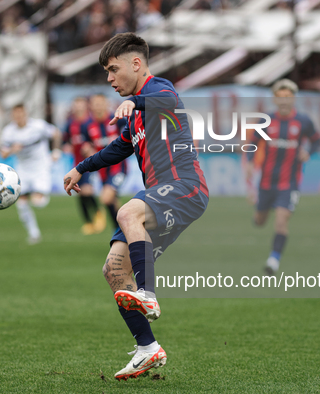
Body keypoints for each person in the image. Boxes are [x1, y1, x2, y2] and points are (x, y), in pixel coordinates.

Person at [63, 33, 209, 380]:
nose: (110, 79)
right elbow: (119, 148)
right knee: (113, 270)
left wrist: (137, 103)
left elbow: (165, 99)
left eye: (113, 70)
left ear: (136, 63)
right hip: (161, 194)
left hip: (185, 187)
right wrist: (80, 168)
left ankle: (148, 294)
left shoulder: (160, 90)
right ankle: (147, 349)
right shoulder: (133, 116)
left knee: (127, 211)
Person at [245, 79, 320, 275]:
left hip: (289, 183)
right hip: (266, 182)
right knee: (260, 220)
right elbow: (252, 143)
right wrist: (250, 163)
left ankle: (273, 260)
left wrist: (308, 152)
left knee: (281, 221)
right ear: (275, 99)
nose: (284, 101)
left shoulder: (303, 121)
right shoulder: (266, 121)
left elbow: (316, 141)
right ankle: (261, 212)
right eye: (280, 97)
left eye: (288, 97)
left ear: (294, 99)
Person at [0, 104, 61, 244]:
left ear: (25, 114)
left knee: (37, 201)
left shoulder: (38, 126)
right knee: (20, 202)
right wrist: (11, 150)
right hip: (22, 169)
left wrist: (56, 151)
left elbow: (56, 133)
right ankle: (34, 233)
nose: (18, 117)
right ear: (13, 116)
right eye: (16, 114)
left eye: (21, 114)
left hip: (41, 167)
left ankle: (41, 194)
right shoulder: (9, 131)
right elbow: (2, 154)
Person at [64, 97, 105, 235]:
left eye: (81, 105)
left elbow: (98, 142)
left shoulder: (90, 123)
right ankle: (88, 222)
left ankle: (99, 214)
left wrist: (91, 148)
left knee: (87, 190)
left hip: (88, 164)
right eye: (76, 105)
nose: (78, 108)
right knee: (79, 192)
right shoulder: (71, 123)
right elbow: (66, 139)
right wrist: (65, 146)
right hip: (75, 164)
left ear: (85, 107)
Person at [87, 93, 127, 230]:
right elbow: (86, 144)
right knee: (112, 201)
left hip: (119, 167)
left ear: (106, 104)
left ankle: (121, 228)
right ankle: (123, 229)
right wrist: (87, 149)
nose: (98, 106)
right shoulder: (88, 125)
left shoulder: (117, 120)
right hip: (103, 170)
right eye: (95, 103)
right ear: (91, 106)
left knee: (106, 197)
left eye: (100, 103)